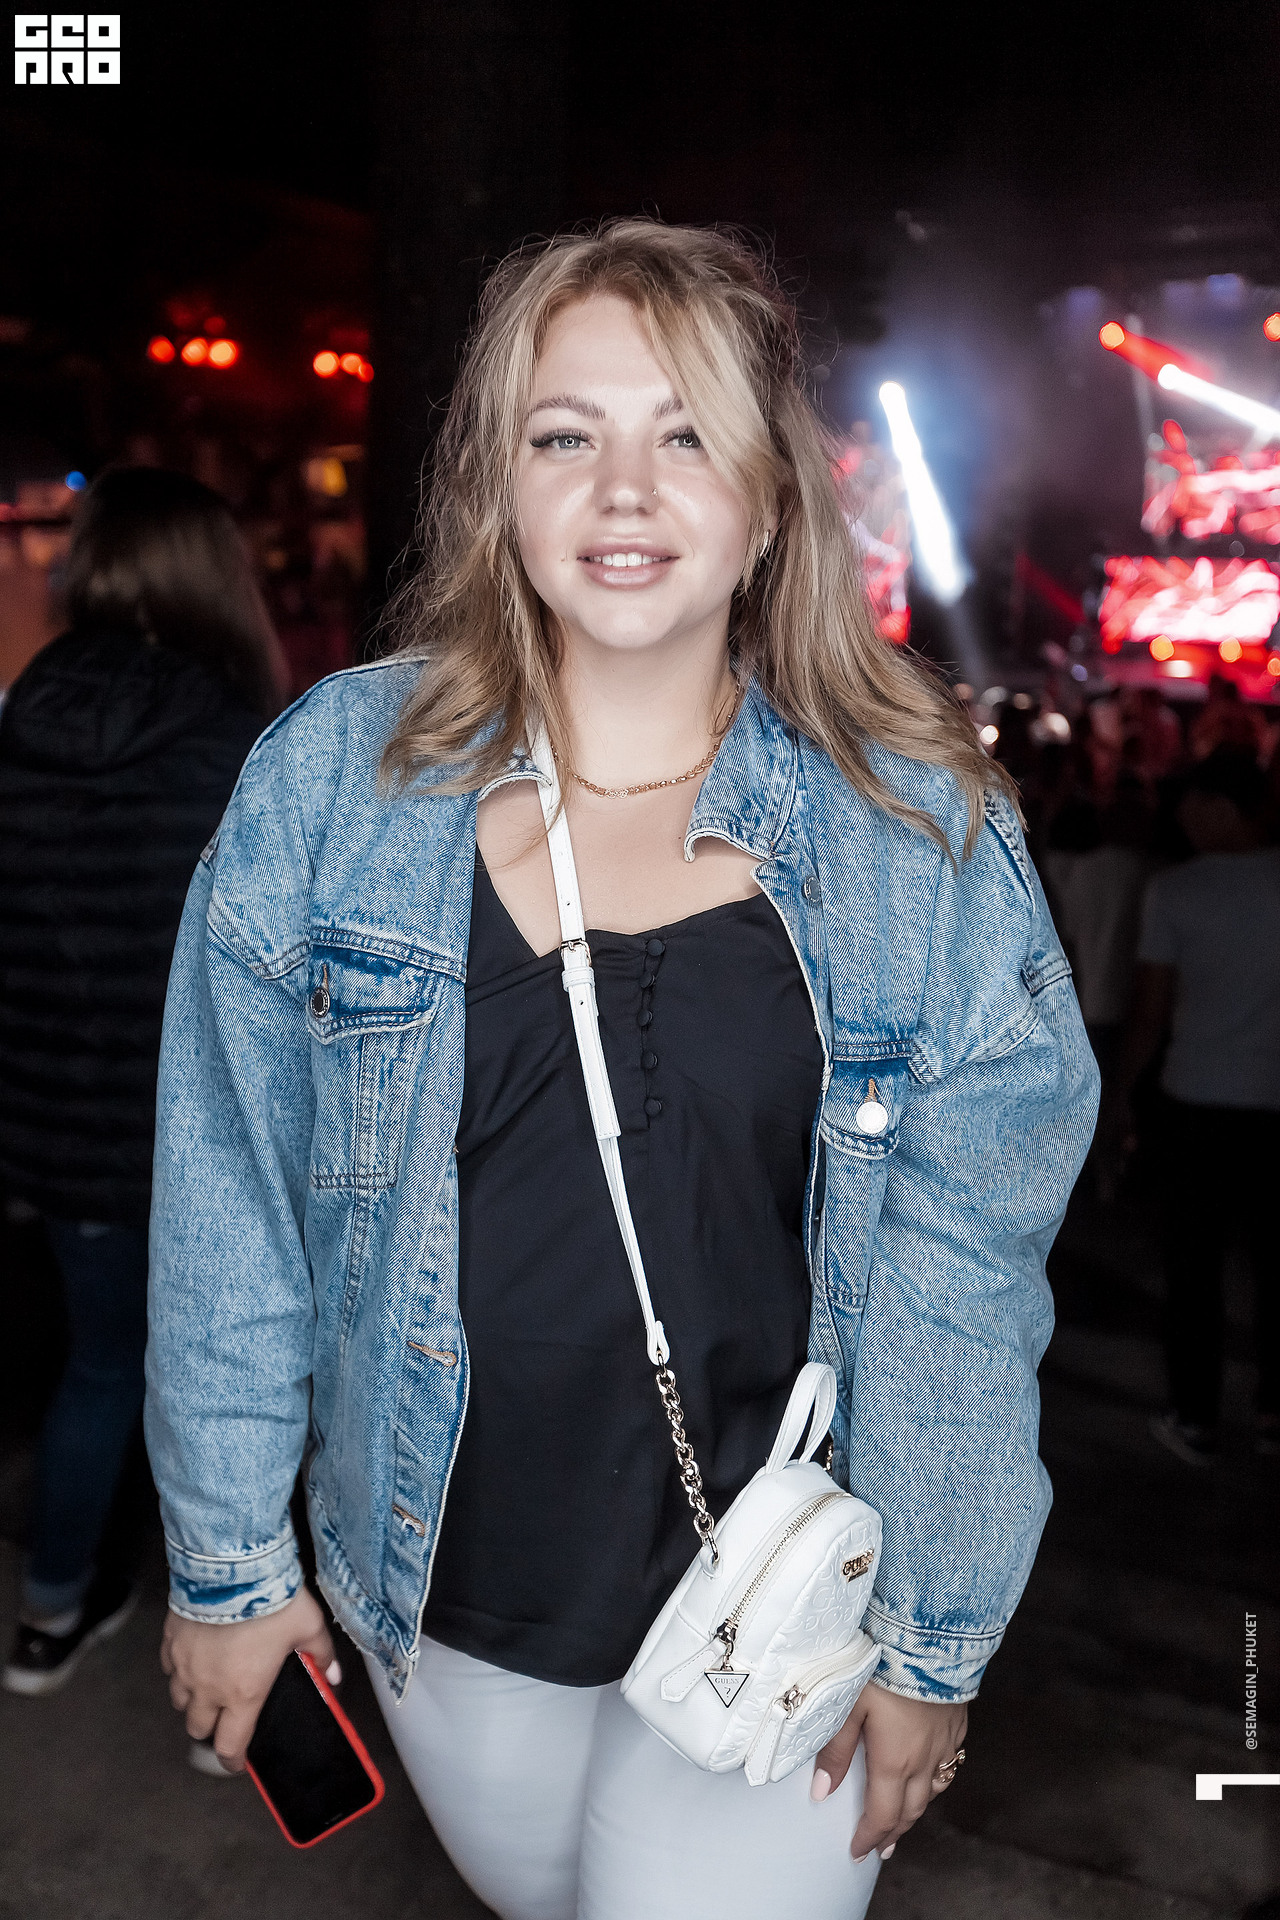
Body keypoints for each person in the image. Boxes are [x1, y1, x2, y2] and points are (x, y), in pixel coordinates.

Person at [147, 221, 1098, 1920]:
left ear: (772, 497)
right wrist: (230, 1567)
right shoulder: (333, 783)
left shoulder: (913, 829)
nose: (626, 492)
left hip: (785, 1614)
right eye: (565, 435)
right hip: (448, 1600)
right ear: (496, 488)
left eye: (686, 435)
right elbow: (231, 1198)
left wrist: (934, 1639)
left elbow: (964, 1265)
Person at [0, 467, 284, 1697]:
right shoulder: (242, 744)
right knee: (243, 1389)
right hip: (210, 1134)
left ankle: (51, 1611)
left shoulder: (18, 720)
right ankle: (240, 1677)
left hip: (62, 1133)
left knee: (104, 1363)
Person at [1117, 746, 1280, 1465]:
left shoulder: (1178, 891)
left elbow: (1151, 1011)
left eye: (1188, 806)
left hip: (1197, 1098)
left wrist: (1121, 1090)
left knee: (1194, 1266)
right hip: (1272, 1101)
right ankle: (1274, 1415)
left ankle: (1196, 1417)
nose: (1179, 819)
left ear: (1218, 808)